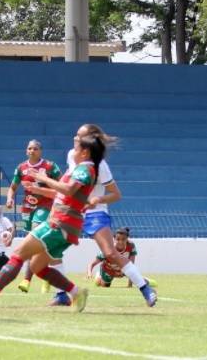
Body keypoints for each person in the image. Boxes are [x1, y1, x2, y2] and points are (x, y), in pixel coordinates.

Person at [0, 135, 108, 312]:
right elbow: (64, 194)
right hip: (67, 226)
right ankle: (76, 293)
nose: (72, 152)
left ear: (85, 153)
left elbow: (68, 189)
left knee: (18, 254)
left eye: (76, 149)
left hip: (59, 223)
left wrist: (44, 179)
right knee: (38, 267)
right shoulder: (81, 169)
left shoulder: (84, 169)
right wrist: (40, 189)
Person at [49, 124, 157, 307]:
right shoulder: (71, 155)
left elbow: (116, 194)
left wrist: (98, 198)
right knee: (52, 248)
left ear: (89, 141)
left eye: (79, 136)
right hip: (72, 209)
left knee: (110, 253)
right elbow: (68, 181)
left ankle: (145, 287)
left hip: (95, 212)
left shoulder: (100, 165)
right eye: (75, 135)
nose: (75, 138)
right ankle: (62, 295)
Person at [5, 140, 62, 293]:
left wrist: (44, 188)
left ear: (41, 151)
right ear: (26, 151)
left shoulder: (50, 167)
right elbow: (13, 187)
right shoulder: (21, 168)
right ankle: (47, 275)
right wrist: (9, 198)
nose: (32, 151)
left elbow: (62, 185)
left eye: (35, 148)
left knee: (34, 239)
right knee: (39, 245)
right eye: (29, 148)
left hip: (45, 207)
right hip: (27, 207)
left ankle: (26, 280)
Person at [87, 227, 157, 288]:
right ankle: (99, 276)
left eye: (123, 239)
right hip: (109, 270)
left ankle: (145, 279)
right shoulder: (108, 249)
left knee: (140, 282)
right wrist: (89, 274)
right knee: (104, 285)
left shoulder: (131, 246)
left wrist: (130, 284)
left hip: (123, 270)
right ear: (114, 239)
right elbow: (92, 264)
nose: (120, 242)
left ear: (127, 239)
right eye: (118, 239)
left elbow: (131, 265)